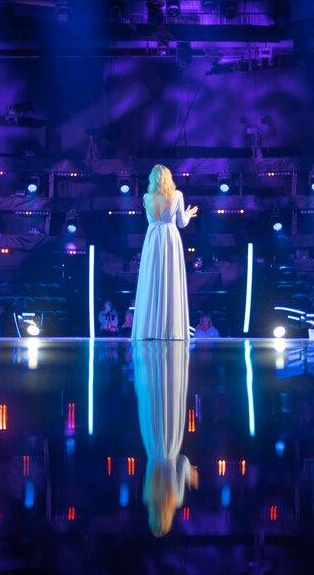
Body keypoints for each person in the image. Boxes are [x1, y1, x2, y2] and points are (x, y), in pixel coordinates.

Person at [133, 340, 199, 537]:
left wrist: (190, 476)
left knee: (169, 404)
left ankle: (170, 368)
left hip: (170, 446)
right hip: (152, 446)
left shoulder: (175, 500)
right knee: (154, 405)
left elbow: (183, 461)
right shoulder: (147, 497)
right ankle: (155, 368)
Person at [131, 165, 198, 340]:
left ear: (152, 179)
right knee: (170, 278)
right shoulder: (177, 195)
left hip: (153, 237)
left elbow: (150, 220)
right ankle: (170, 328)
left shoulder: (146, 197)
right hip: (169, 237)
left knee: (151, 278)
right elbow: (182, 223)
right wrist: (188, 214)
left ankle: (149, 329)